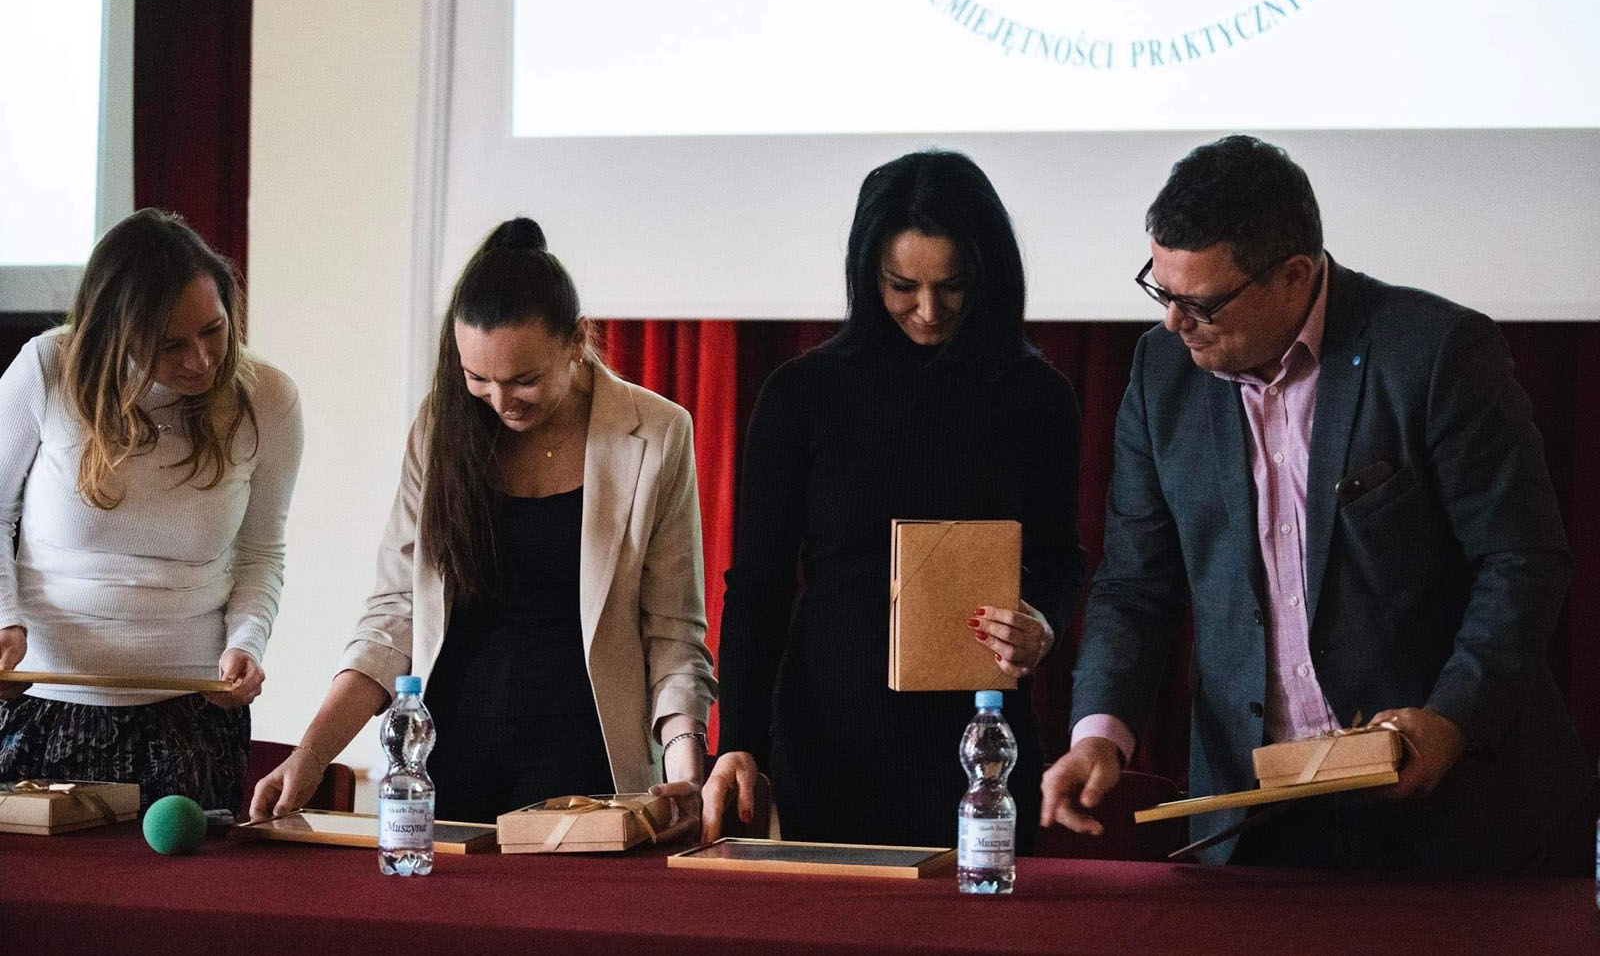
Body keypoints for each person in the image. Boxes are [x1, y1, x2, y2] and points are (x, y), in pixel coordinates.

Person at [1041, 135, 1594, 872]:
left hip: (1450, 805)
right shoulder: (1160, 372)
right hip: (1258, 814)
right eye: (1161, 291)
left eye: (1199, 303)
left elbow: (1521, 561)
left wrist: (1452, 720)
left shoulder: (1434, 353)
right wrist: (1099, 734)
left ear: (1295, 275)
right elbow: (1135, 582)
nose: (1174, 322)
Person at [251, 218, 715, 831]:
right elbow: (394, 614)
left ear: (577, 340)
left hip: (586, 756)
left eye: (525, 380)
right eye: (478, 380)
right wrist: (310, 756)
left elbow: (673, 634)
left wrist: (684, 774)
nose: (500, 402)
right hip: (446, 753)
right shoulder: (441, 428)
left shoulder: (655, 433)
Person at [703, 150, 1084, 848]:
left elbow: (1061, 559)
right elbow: (757, 585)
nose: (929, 311)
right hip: (828, 746)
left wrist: (1045, 624)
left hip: (981, 746)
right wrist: (738, 741)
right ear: (866, 273)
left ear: (989, 275)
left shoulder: (1037, 396)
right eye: (902, 286)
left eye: (953, 286)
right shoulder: (801, 395)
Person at [0, 209, 303, 810]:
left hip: (190, 719)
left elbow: (260, 552)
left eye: (213, 330)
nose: (201, 359)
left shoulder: (267, 399)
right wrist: (5, 618)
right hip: (45, 703)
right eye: (170, 344)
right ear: (117, 335)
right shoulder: (47, 368)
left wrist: (246, 642)